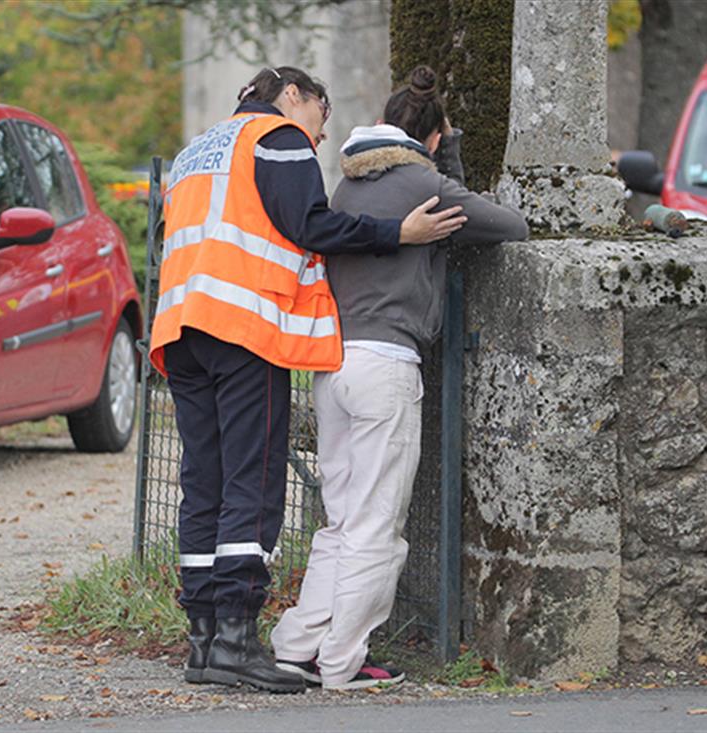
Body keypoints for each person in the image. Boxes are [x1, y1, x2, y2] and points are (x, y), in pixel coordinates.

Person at [147, 66, 467, 694]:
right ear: (293, 96)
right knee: (255, 480)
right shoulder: (278, 136)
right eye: (321, 115)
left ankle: (204, 641)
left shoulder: (195, 153)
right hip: (241, 326)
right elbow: (310, 224)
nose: (318, 137)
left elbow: (170, 238)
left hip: (180, 330)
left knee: (203, 481)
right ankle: (236, 641)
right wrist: (395, 234)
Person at [270, 65, 529, 691]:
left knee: (340, 517)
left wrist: (443, 155)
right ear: (433, 139)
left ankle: (295, 646)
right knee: (377, 523)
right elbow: (508, 227)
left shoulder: (348, 185)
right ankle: (344, 662)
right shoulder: (424, 184)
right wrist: (451, 159)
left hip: (332, 365)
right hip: (386, 364)